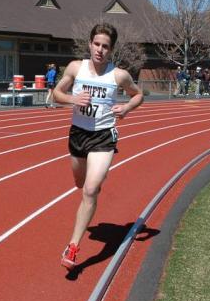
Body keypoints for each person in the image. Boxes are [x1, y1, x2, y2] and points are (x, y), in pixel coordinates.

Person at [53, 23, 143, 270]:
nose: (100, 50)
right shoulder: (75, 68)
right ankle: (88, 184)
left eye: (105, 46)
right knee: (80, 184)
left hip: (104, 136)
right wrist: (73, 98)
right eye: (96, 44)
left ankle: (72, 247)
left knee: (91, 190)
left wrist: (126, 108)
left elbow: (138, 94)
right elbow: (56, 93)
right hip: (79, 135)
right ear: (90, 44)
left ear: (111, 50)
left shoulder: (118, 75)